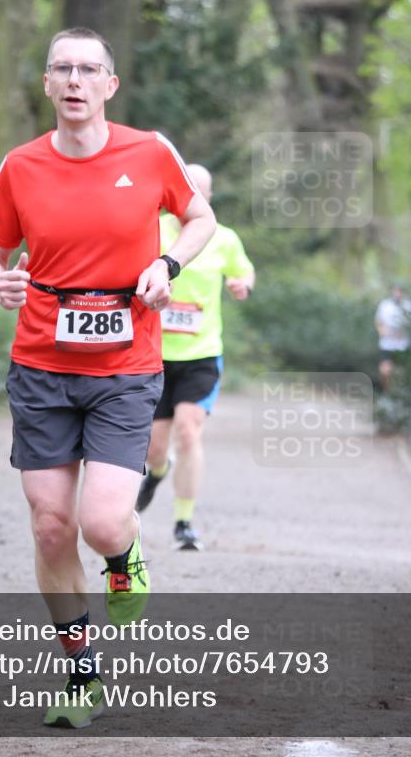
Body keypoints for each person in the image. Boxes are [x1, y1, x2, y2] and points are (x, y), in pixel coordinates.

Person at [0, 28, 215, 728]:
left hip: (123, 368)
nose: (74, 80)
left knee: (103, 522)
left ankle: (125, 552)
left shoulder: (148, 151)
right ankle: (82, 678)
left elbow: (198, 217)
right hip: (41, 366)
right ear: (46, 85)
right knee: (51, 528)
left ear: (109, 84)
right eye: (61, 69)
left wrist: (166, 265)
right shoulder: (19, 166)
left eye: (88, 69)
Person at [136, 164, 255, 551]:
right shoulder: (152, 232)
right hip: (155, 355)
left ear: (210, 197)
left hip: (202, 354)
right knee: (155, 446)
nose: (195, 199)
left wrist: (242, 285)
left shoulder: (224, 238)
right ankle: (157, 471)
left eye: (203, 193)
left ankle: (184, 522)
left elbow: (244, 270)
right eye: (190, 191)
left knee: (189, 431)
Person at [375, 284, 411, 389]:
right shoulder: (385, 305)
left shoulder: (410, 306)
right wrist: (383, 332)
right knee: (385, 370)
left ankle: (399, 395)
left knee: (401, 372)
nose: (397, 294)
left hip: (403, 345)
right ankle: (386, 392)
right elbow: (378, 322)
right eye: (395, 291)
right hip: (387, 344)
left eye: (400, 291)